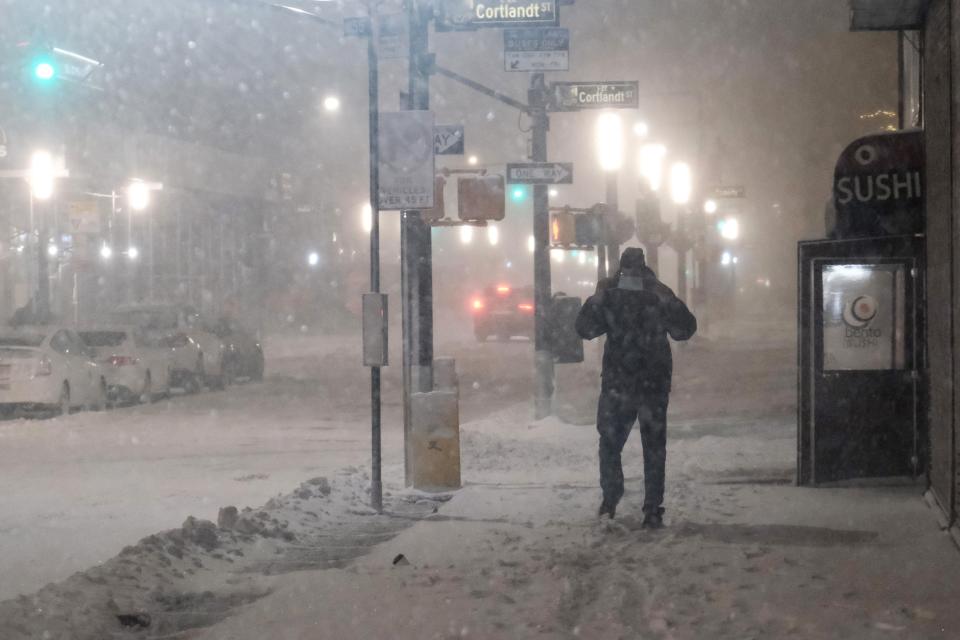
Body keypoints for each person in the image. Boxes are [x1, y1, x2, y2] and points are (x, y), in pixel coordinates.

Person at [575, 247, 697, 529]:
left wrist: (597, 300)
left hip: (619, 383)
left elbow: (585, 329)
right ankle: (652, 509)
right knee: (653, 446)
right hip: (653, 384)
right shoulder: (657, 293)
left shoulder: (612, 294)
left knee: (609, 442)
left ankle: (611, 499)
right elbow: (684, 330)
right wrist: (667, 300)